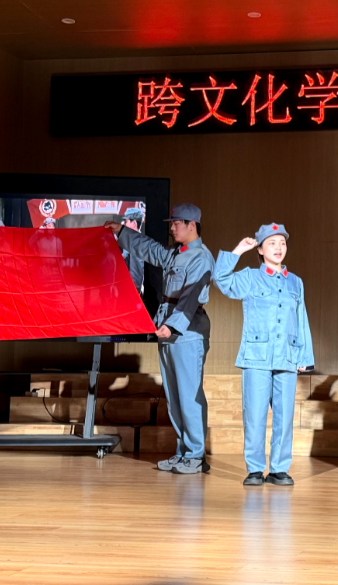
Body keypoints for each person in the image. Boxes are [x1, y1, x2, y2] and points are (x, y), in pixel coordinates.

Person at [105, 204, 215, 475]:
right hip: (167, 328)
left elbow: (191, 297)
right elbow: (150, 249)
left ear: (192, 225)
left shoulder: (201, 257)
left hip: (186, 332)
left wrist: (173, 326)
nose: (172, 228)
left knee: (189, 396)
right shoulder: (177, 252)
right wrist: (121, 232)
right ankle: (184, 452)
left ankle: (195, 455)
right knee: (175, 397)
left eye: (176, 223)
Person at [214, 224, 314, 487]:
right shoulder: (249, 277)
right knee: (255, 416)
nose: (279, 248)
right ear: (259, 249)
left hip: (287, 356)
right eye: (272, 243)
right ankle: (255, 469)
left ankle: (279, 469)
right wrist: (238, 251)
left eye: (282, 243)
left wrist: (304, 357)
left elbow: (301, 319)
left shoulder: (295, 282)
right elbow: (221, 279)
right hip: (256, 357)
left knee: (284, 416)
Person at [119, 208, 146, 295]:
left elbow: (136, 276)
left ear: (134, 223)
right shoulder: (132, 242)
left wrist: (132, 294)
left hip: (132, 293)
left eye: (126, 221)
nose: (124, 224)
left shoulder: (137, 244)